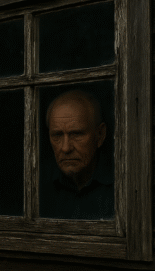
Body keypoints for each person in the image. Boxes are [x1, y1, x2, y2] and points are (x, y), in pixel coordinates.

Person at [39, 89, 114, 220]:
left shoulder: (122, 188)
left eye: (76, 134)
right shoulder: (40, 189)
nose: (65, 148)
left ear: (100, 135)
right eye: (57, 135)